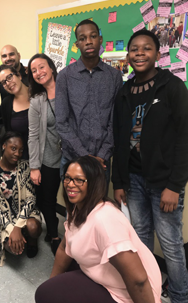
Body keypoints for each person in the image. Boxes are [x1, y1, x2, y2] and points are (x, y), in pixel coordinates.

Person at [112, 29, 188, 303]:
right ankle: (150, 292)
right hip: (133, 180)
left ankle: (180, 297)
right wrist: (118, 182)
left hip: (164, 182)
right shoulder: (124, 91)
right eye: (134, 49)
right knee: (140, 240)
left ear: (158, 53)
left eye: (146, 48)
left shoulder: (172, 87)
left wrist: (175, 186)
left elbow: (184, 138)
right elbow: (118, 140)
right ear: (128, 55)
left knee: (170, 245)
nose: (140, 53)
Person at [35, 156, 161, 303]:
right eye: (67, 178)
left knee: (44, 295)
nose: (70, 184)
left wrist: (51, 290)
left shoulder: (105, 219)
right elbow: (64, 248)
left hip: (128, 294)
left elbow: (138, 280)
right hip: (104, 277)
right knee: (51, 288)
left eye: (79, 180)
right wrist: (52, 283)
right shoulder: (79, 208)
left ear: (94, 183)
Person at [55, 19, 123, 190]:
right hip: (72, 158)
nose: (88, 41)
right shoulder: (65, 76)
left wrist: (101, 155)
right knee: (75, 210)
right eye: (83, 38)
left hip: (102, 160)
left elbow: (115, 120)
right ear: (77, 43)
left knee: (98, 208)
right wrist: (85, 156)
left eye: (93, 36)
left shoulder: (114, 76)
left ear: (100, 40)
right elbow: (62, 122)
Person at [0, 131, 42, 266]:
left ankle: (31, 240)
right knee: (14, 249)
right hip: (6, 217)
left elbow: (31, 199)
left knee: (33, 227)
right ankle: (19, 236)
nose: (17, 154)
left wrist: (18, 227)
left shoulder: (25, 167)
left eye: (21, 150)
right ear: (4, 146)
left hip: (26, 213)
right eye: (13, 148)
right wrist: (11, 228)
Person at [28, 53, 62, 255]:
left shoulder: (68, 91)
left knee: (75, 200)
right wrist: (34, 167)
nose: (39, 72)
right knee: (47, 200)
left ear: (51, 67)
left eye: (42, 67)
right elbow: (33, 135)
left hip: (70, 158)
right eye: (34, 71)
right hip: (48, 158)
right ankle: (54, 235)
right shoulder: (36, 101)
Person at [0, 65, 30, 160]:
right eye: (4, 82)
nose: (8, 83)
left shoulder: (38, 95)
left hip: (46, 156)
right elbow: (9, 134)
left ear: (19, 75)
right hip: (21, 158)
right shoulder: (6, 103)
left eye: (9, 77)